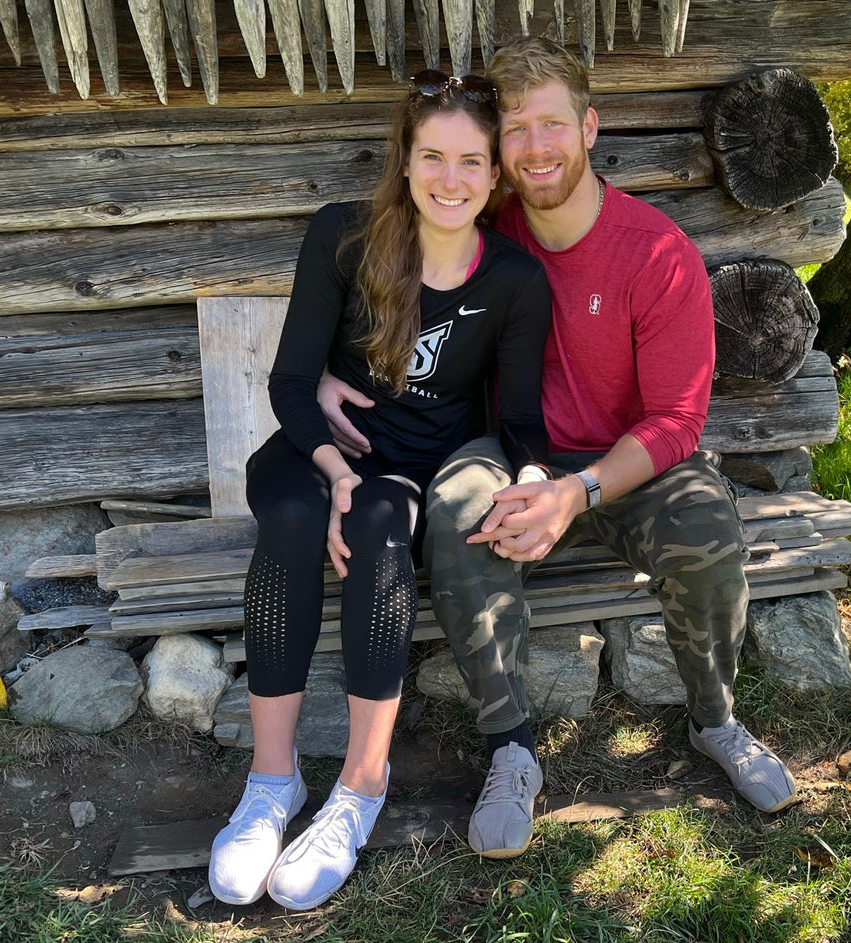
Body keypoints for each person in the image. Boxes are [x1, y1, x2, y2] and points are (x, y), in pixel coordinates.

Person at [321, 36, 797, 861]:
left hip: (624, 464)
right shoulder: (479, 225)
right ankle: (511, 748)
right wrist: (328, 373)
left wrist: (577, 491)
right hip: (508, 446)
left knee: (709, 531)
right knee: (460, 513)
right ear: (497, 149)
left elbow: (679, 420)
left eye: (552, 125)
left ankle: (715, 719)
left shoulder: (657, 253)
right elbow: (387, 276)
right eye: (515, 129)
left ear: (589, 128)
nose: (535, 147)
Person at [207, 71, 552, 909]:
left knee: (375, 526)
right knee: (289, 513)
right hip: (318, 450)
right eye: (432, 156)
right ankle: (271, 784)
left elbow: (520, 419)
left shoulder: (512, 281)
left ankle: (360, 788)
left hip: (405, 467)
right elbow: (292, 383)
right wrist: (331, 470)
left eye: (472, 162)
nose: (450, 179)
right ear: (405, 161)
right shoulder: (344, 240)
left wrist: (538, 478)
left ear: (495, 176)